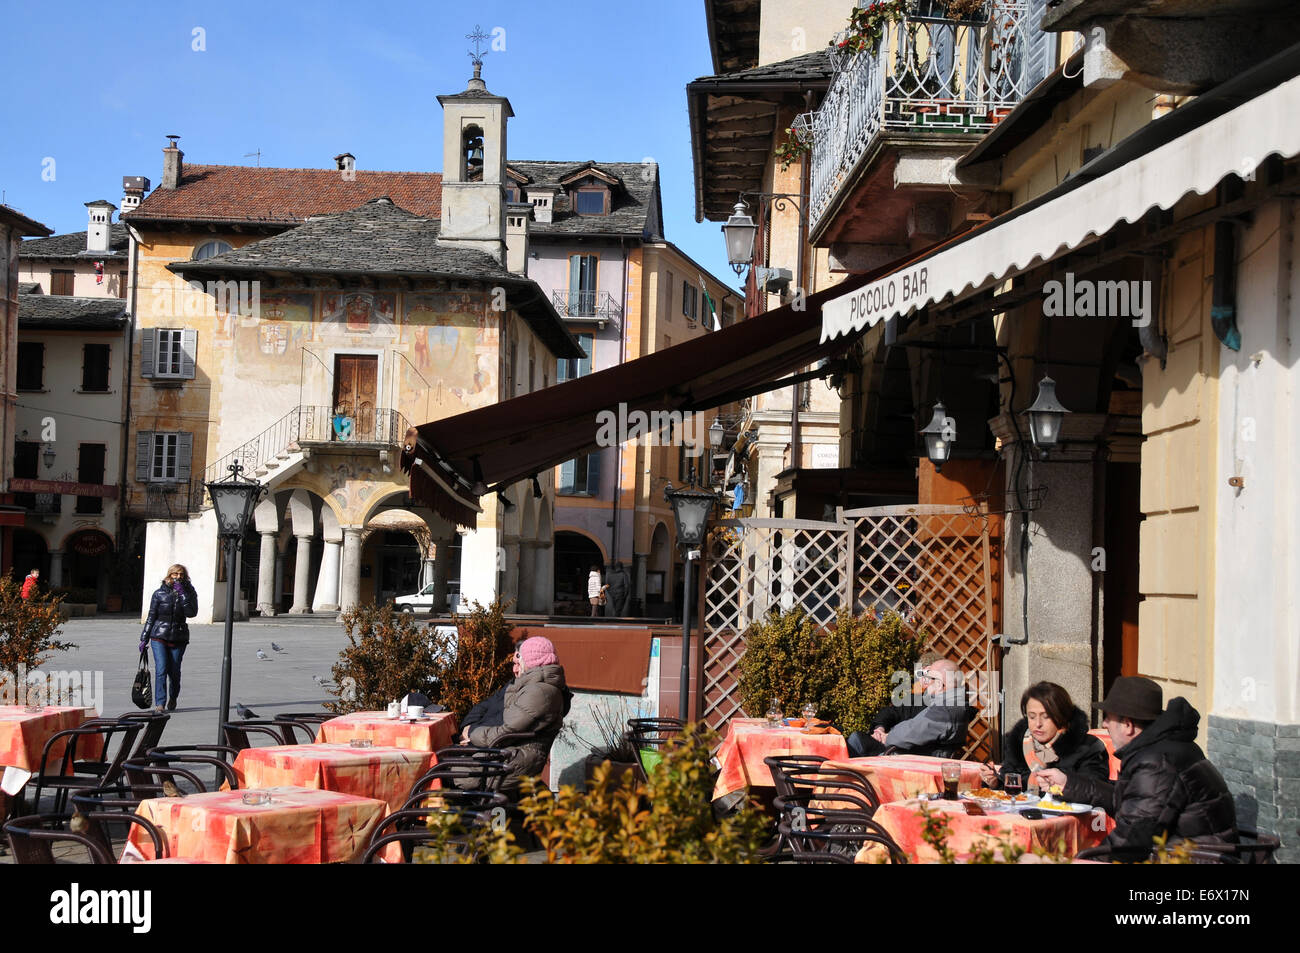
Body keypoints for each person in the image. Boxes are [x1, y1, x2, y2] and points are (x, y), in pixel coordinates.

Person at [1037, 676, 1237, 859]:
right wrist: (1068, 784)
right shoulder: (1164, 748)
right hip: (1190, 854)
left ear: (1128, 725)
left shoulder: (1158, 761)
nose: (1105, 724)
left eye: (1108, 717)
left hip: (1192, 859)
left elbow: (1133, 837)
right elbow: (1131, 800)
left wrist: (1084, 861)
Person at [462, 636, 570, 791]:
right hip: (509, 759)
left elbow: (505, 733)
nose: (515, 668)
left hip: (506, 765)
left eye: (520, 661)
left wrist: (472, 733)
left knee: (435, 767)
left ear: (529, 661)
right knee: (439, 763)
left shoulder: (538, 692)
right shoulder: (540, 688)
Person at [978, 681, 1108, 790]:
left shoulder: (1086, 747)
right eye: (1032, 717)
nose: (1038, 724)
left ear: (1062, 716)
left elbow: (1093, 790)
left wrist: (1063, 785)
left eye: (1046, 717)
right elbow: (1010, 783)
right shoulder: (1018, 744)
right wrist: (995, 782)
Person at [846, 658, 973, 758]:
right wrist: (881, 730)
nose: (926, 681)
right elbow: (899, 718)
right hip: (911, 753)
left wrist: (887, 737)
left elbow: (913, 732)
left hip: (909, 759)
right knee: (858, 740)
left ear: (939, 684)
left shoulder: (946, 710)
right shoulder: (950, 705)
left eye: (930, 677)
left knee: (857, 740)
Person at [139, 563, 199, 713]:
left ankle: (173, 697)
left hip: (179, 636)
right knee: (161, 669)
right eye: (175, 574)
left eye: (181, 575)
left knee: (174, 671)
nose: (178, 577)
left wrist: (183, 593)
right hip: (159, 635)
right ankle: (160, 703)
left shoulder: (190, 592)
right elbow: (152, 616)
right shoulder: (159, 593)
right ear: (169, 575)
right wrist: (144, 637)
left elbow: (192, 613)